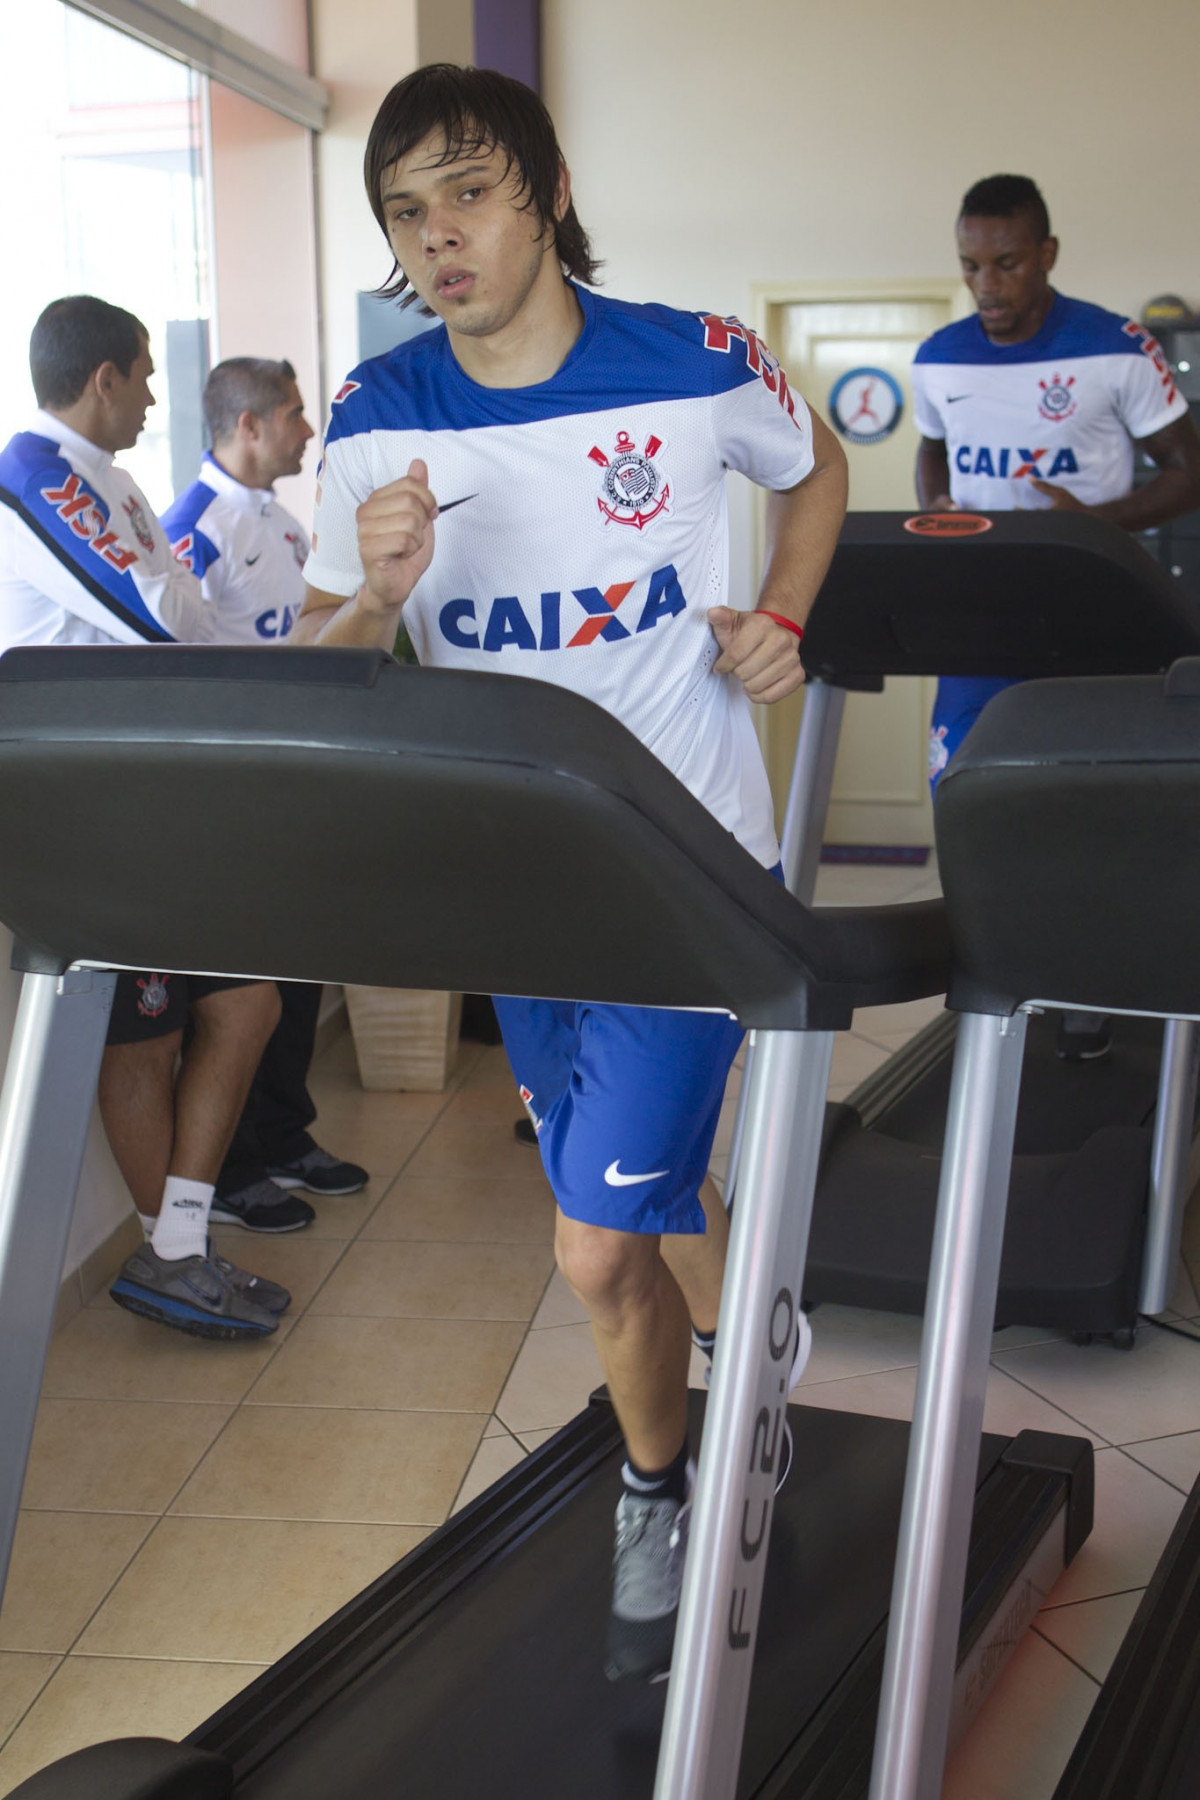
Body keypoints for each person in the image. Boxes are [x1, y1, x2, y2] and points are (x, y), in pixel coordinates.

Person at [292, 64, 848, 1681]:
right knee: (642, 1191)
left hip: (688, 872)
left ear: (539, 189)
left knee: (595, 1250)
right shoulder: (378, 416)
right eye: (405, 211)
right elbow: (327, 656)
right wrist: (375, 593)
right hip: (510, 886)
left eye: (468, 193)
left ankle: (659, 1483)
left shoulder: (690, 364)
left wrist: (786, 620)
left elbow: (815, 472)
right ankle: (754, 1333)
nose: (438, 237)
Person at [0, 294, 309, 1341]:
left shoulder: (117, 482)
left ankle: (178, 1242)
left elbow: (186, 610)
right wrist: (174, 599)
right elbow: (162, 614)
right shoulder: (33, 474)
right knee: (146, 1041)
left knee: (248, 1002)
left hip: (156, 794)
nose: (153, 396)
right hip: (90, 809)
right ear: (102, 379)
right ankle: (172, 1249)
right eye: (144, 374)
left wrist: (176, 600)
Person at [911, 173, 1200, 1058]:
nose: (987, 287)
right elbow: (932, 449)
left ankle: (1093, 992)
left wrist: (1092, 525)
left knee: (1087, 804)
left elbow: (1188, 467)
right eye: (970, 267)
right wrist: (941, 514)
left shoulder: (1116, 346)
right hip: (982, 615)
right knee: (965, 793)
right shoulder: (940, 355)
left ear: (1046, 255)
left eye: (1005, 264)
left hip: (1091, 611)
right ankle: (995, 976)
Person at [161, 358, 370, 1217]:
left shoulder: (284, 522)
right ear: (247, 426)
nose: (308, 429)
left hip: (300, 780)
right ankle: (236, 1167)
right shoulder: (194, 524)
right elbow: (168, 654)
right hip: (231, 793)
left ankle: (284, 1133)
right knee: (239, 987)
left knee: (299, 969)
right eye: (292, 414)